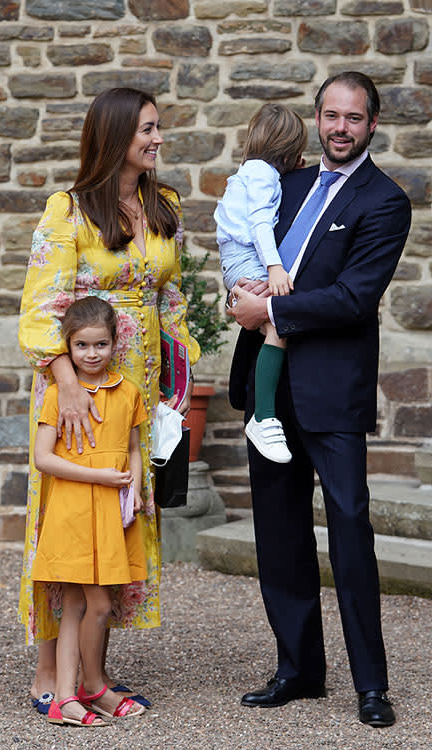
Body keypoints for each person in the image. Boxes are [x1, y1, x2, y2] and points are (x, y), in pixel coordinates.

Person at [228, 71, 411, 727]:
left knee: (351, 535)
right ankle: (298, 671)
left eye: (352, 118)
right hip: (270, 391)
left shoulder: (384, 201)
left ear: (371, 123)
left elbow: (353, 298)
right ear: (317, 117)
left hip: (332, 393)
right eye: (330, 116)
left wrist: (267, 307)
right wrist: (239, 293)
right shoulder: (289, 184)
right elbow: (249, 246)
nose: (339, 128)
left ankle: (370, 685)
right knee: (278, 537)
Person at [18, 87, 200, 714]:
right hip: (78, 383)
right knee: (66, 523)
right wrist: (67, 381)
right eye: (147, 129)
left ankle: (94, 673)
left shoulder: (163, 204)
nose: (157, 139)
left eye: (158, 128)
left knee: (118, 516)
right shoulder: (67, 211)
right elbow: (43, 307)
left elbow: (171, 301)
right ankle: (49, 671)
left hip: (138, 388)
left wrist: (179, 381)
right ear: (116, 135)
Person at [33, 297, 147, 726]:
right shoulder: (60, 396)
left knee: (79, 605)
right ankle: (94, 685)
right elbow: (44, 458)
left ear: (115, 343)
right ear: (69, 346)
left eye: (100, 344)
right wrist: (99, 477)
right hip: (75, 511)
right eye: (81, 346)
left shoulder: (129, 391)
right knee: (97, 605)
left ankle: (65, 697)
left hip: (111, 514)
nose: (92, 354)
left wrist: (133, 485)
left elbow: (133, 449)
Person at [214, 103, 307, 463]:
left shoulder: (251, 172)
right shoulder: (262, 174)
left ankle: (264, 416)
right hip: (248, 260)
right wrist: (274, 268)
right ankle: (263, 417)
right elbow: (259, 225)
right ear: (289, 146)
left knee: (273, 324)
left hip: (236, 261)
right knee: (278, 325)